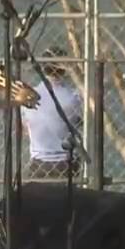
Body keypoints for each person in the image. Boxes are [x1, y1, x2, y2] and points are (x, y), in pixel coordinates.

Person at [22, 48, 84, 180]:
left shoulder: (29, 95)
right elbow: (79, 122)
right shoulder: (72, 97)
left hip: (39, 162)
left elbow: (25, 128)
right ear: (64, 70)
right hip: (65, 162)